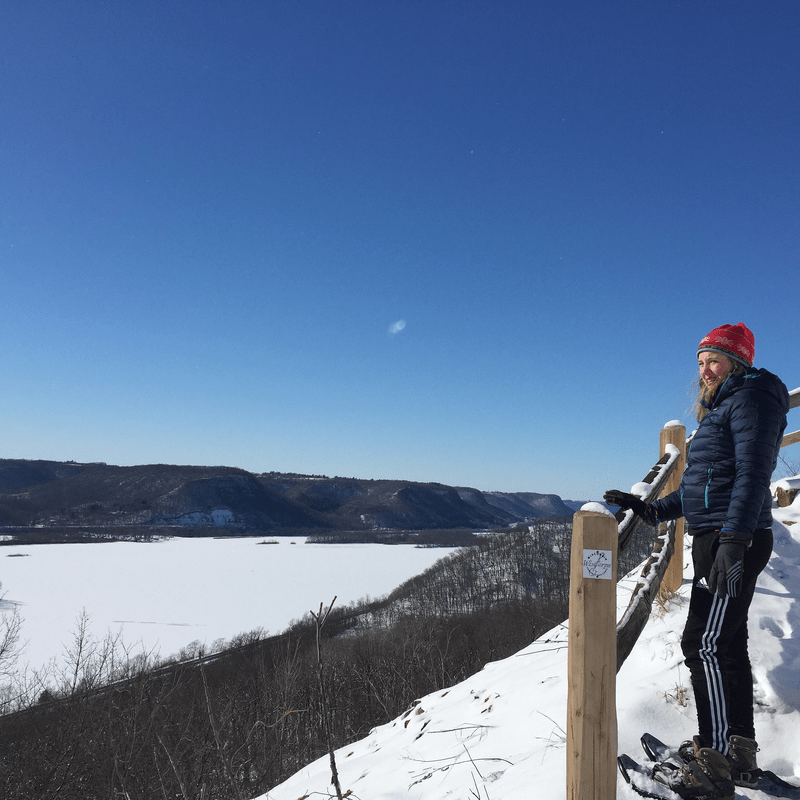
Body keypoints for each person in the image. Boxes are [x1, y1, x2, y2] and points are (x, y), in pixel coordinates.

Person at [605, 322, 790, 800]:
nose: (706, 370)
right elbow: (705, 490)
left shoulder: (750, 400)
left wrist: (734, 539)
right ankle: (737, 753)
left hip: (733, 542)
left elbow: (752, 475)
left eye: (715, 360)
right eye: (701, 362)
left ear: (737, 363)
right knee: (726, 644)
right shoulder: (727, 403)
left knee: (702, 644)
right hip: (723, 537)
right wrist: (651, 508)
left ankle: (714, 759)